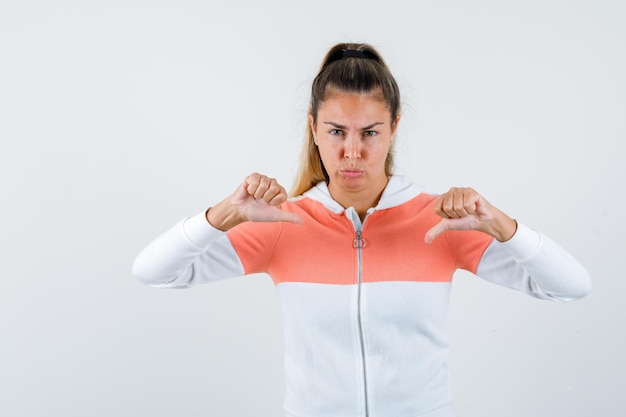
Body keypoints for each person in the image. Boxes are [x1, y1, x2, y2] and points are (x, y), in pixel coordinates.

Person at [132, 42, 591, 417]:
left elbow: (572, 287)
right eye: (337, 132)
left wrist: (503, 226)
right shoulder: (281, 224)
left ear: (394, 127)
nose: (353, 152)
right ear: (313, 129)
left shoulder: (441, 221)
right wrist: (223, 215)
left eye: (369, 132)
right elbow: (152, 272)